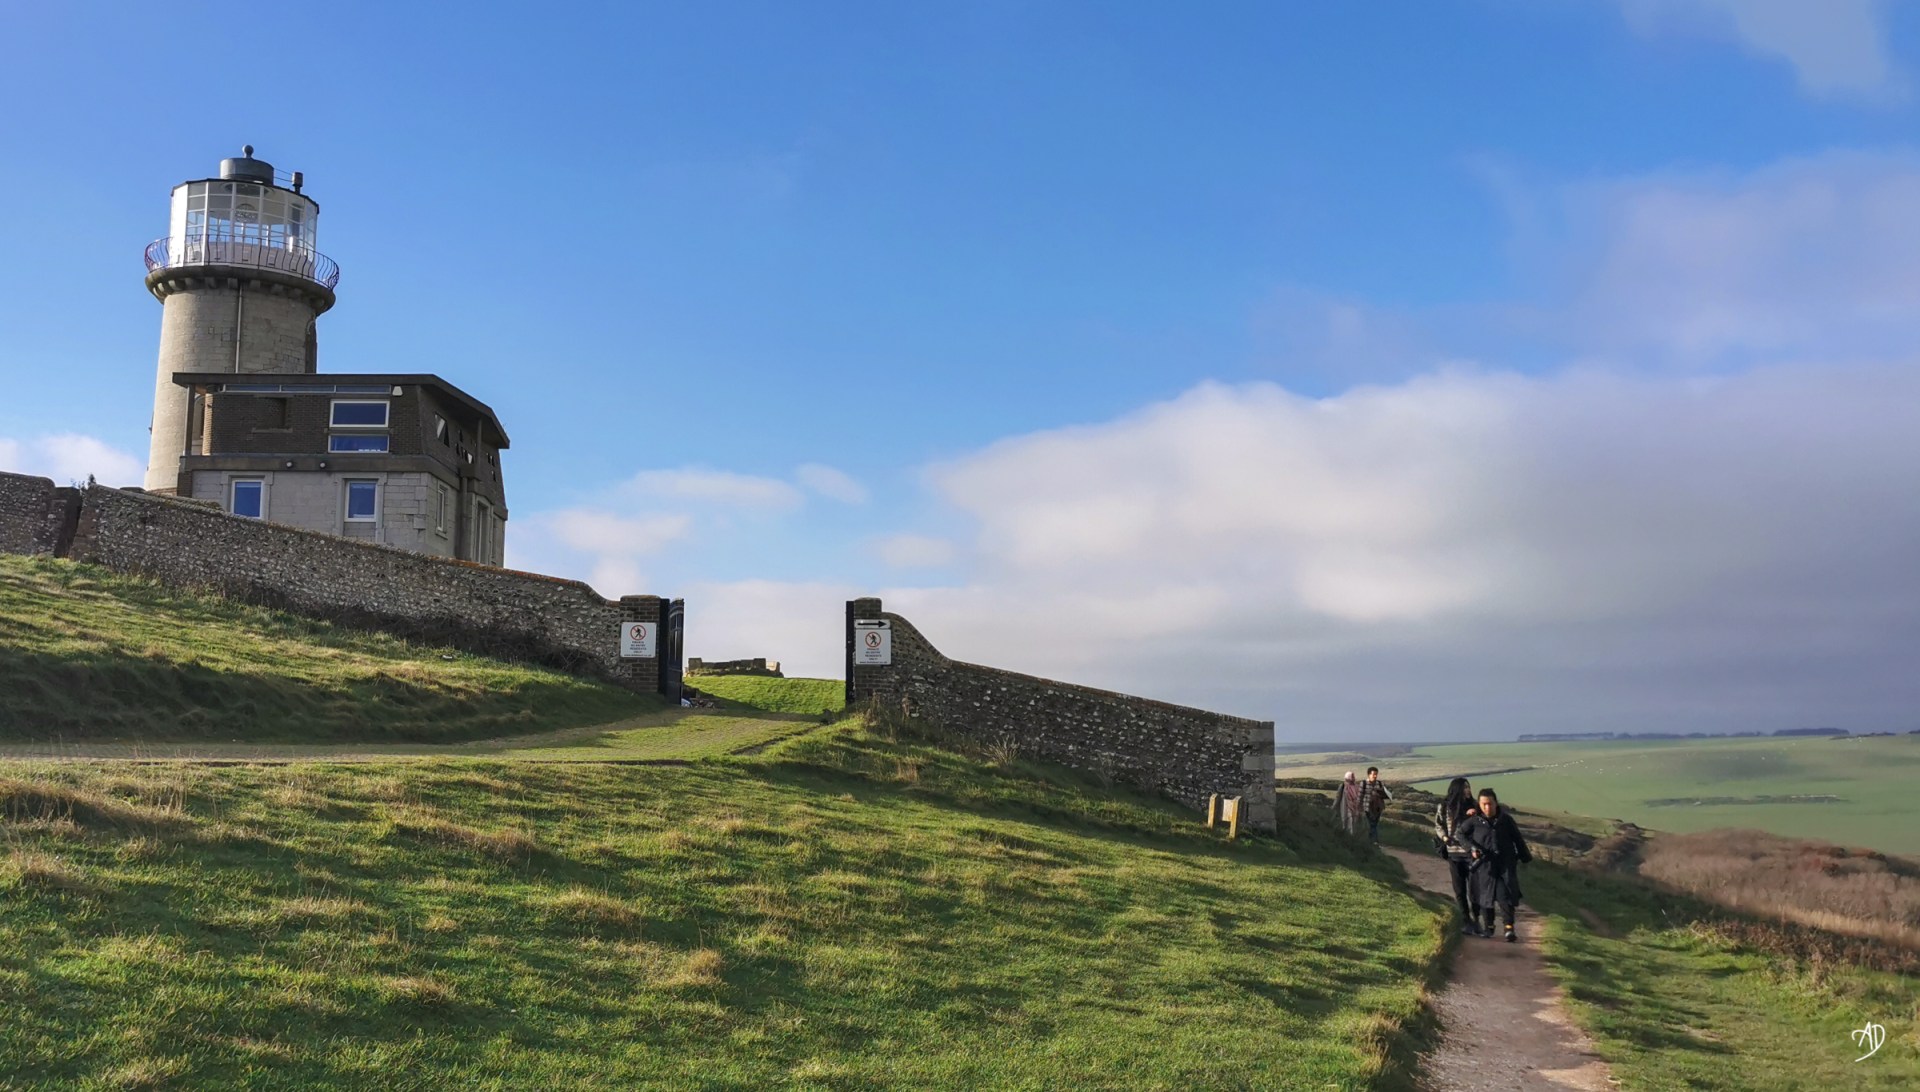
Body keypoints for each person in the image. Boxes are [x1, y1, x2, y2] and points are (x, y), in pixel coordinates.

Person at [1456, 787, 1533, 942]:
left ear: (1496, 803)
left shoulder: (1506, 820)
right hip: (1485, 866)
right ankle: (1488, 926)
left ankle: (1509, 927)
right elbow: (1460, 834)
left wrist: (1524, 856)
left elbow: (1517, 838)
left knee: (1505, 895)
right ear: (1479, 804)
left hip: (1505, 864)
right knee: (1485, 895)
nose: (1487, 807)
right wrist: (1471, 848)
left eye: (1490, 803)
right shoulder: (1474, 821)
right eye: (1484, 804)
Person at [1431, 778, 1483, 936]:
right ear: (1457, 789)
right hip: (1454, 853)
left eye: (1469, 787)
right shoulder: (1445, 806)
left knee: (1475, 890)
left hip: (1472, 853)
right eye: (1465, 787)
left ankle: (1476, 919)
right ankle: (1466, 920)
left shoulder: (1475, 806)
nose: (1468, 790)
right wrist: (1444, 837)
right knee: (1459, 889)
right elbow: (1438, 824)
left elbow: (1482, 825)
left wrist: (1476, 815)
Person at [1360, 766, 1393, 844]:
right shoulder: (1363, 783)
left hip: (1378, 807)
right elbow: (1360, 795)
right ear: (1369, 774)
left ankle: (1371, 840)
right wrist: (1358, 806)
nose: (1375, 776)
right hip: (1367, 807)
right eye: (1373, 774)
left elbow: (1384, 794)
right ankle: (1374, 841)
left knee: (1374, 824)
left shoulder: (1380, 783)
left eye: (1376, 774)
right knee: (1372, 823)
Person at [1330, 771, 1364, 836]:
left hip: (1355, 808)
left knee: (1354, 823)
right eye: (1352, 777)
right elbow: (1338, 797)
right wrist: (1334, 806)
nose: (1353, 778)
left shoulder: (1357, 786)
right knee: (1347, 822)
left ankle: (1352, 837)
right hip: (1346, 807)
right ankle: (1348, 837)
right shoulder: (1343, 786)